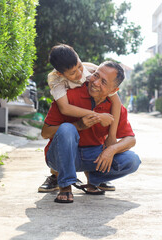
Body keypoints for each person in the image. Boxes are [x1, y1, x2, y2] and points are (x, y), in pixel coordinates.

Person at [41, 61, 141, 203]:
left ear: (114, 90)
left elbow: (131, 139)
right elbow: (45, 132)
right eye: (96, 75)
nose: (95, 82)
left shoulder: (114, 107)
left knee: (132, 160)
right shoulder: (69, 96)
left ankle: (94, 180)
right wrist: (79, 125)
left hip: (93, 156)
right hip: (60, 158)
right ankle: (65, 184)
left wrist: (111, 149)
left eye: (104, 82)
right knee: (67, 128)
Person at [38, 44, 120, 193]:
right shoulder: (56, 82)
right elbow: (65, 108)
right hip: (70, 115)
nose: (78, 74)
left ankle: (95, 178)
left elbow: (116, 101)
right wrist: (96, 115)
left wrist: (112, 137)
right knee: (67, 130)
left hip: (87, 115)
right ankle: (58, 177)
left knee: (94, 139)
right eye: (72, 73)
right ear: (61, 74)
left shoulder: (90, 70)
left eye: (79, 67)